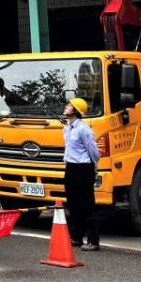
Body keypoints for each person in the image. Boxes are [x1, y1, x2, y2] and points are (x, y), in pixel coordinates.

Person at [62, 97, 101, 250]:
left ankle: (93, 240)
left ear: (76, 111)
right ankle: (76, 237)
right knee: (73, 203)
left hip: (84, 168)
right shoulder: (67, 128)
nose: (67, 107)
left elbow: (93, 151)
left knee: (87, 204)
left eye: (70, 106)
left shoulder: (84, 129)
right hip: (71, 167)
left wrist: (94, 168)